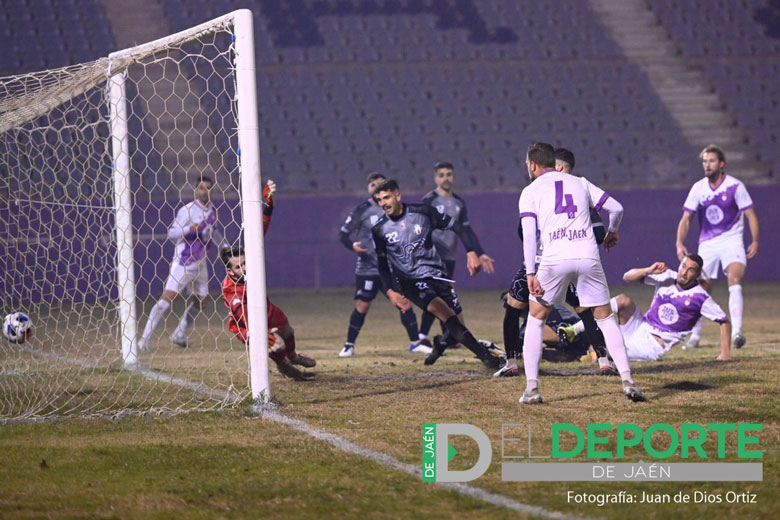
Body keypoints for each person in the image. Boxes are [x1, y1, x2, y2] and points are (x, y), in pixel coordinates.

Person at [517, 142, 644, 403]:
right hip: (587, 256)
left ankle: (532, 389)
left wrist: (531, 272)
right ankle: (628, 381)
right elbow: (616, 208)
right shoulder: (581, 182)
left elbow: (530, 235)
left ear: (532, 165)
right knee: (606, 320)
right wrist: (612, 231)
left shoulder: (530, 191)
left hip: (554, 259)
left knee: (536, 319)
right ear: (554, 162)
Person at [495, 148, 616, 377]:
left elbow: (524, 232)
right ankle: (604, 360)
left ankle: (514, 365)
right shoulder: (579, 190)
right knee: (586, 309)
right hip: (572, 260)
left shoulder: (536, 192)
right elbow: (602, 226)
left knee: (520, 309)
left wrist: (532, 266)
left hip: (546, 263)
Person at [371, 179, 505, 369]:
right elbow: (382, 264)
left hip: (437, 274)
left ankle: (442, 343)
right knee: (441, 311)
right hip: (409, 280)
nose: (383, 203)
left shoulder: (422, 212)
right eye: (379, 200)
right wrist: (391, 291)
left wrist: (471, 252)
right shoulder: (379, 229)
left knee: (457, 324)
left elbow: (458, 226)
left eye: (386, 197)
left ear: (397, 196)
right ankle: (487, 358)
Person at [221, 180, 316, 380]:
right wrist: (263, 334)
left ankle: (293, 356)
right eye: (239, 266)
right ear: (229, 270)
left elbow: (260, 230)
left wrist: (268, 205)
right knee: (278, 346)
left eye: (245, 263)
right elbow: (242, 316)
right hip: (247, 325)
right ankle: (286, 368)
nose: (245, 268)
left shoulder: (250, 263)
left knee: (288, 331)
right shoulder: (232, 292)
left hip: (266, 308)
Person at [338, 172, 430, 357]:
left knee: (404, 302)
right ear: (369, 188)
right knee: (363, 305)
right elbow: (343, 234)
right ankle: (349, 345)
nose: (376, 188)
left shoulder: (395, 209)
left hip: (392, 267)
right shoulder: (362, 210)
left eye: (380, 184)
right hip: (368, 268)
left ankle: (415, 343)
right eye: (373, 185)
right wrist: (353, 246)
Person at [676, 145, 759, 350]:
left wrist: (755, 240)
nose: (707, 165)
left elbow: (750, 215)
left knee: (735, 278)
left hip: (732, 240)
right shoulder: (698, 188)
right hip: (708, 243)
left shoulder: (735, 186)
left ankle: (737, 333)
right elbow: (686, 218)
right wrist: (679, 242)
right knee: (701, 285)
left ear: (722, 164)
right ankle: (695, 337)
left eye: (711, 161)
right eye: (704, 161)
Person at [138, 176, 224, 352]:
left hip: (201, 262)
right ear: (196, 190)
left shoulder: (212, 212)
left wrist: (225, 247)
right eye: (201, 188)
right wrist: (189, 230)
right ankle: (144, 339)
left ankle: (179, 333)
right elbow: (172, 233)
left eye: (208, 188)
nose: (204, 191)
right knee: (166, 300)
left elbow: (213, 232)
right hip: (184, 261)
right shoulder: (187, 210)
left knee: (202, 301)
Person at [418, 162, 495, 346]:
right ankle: (423, 337)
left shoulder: (459, 203)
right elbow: (419, 228)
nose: (446, 178)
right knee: (438, 294)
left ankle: (447, 336)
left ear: (453, 177)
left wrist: (480, 252)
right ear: (436, 178)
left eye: (449, 174)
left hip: (449, 258)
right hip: (432, 257)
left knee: (443, 295)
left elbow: (465, 230)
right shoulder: (429, 201)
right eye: (442, 174)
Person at [615, 255, 731, 361]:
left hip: (653, 344)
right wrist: (648, 270)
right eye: (683, 266)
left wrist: (725, 353)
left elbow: (724, 321)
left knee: (611, 351)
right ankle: (596, 319)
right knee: (623, 300)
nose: (684, 272)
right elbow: (627, 277)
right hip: (639, 326)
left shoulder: (700, 297)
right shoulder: (667, 276)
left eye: (691, 270)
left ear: (698, 274)